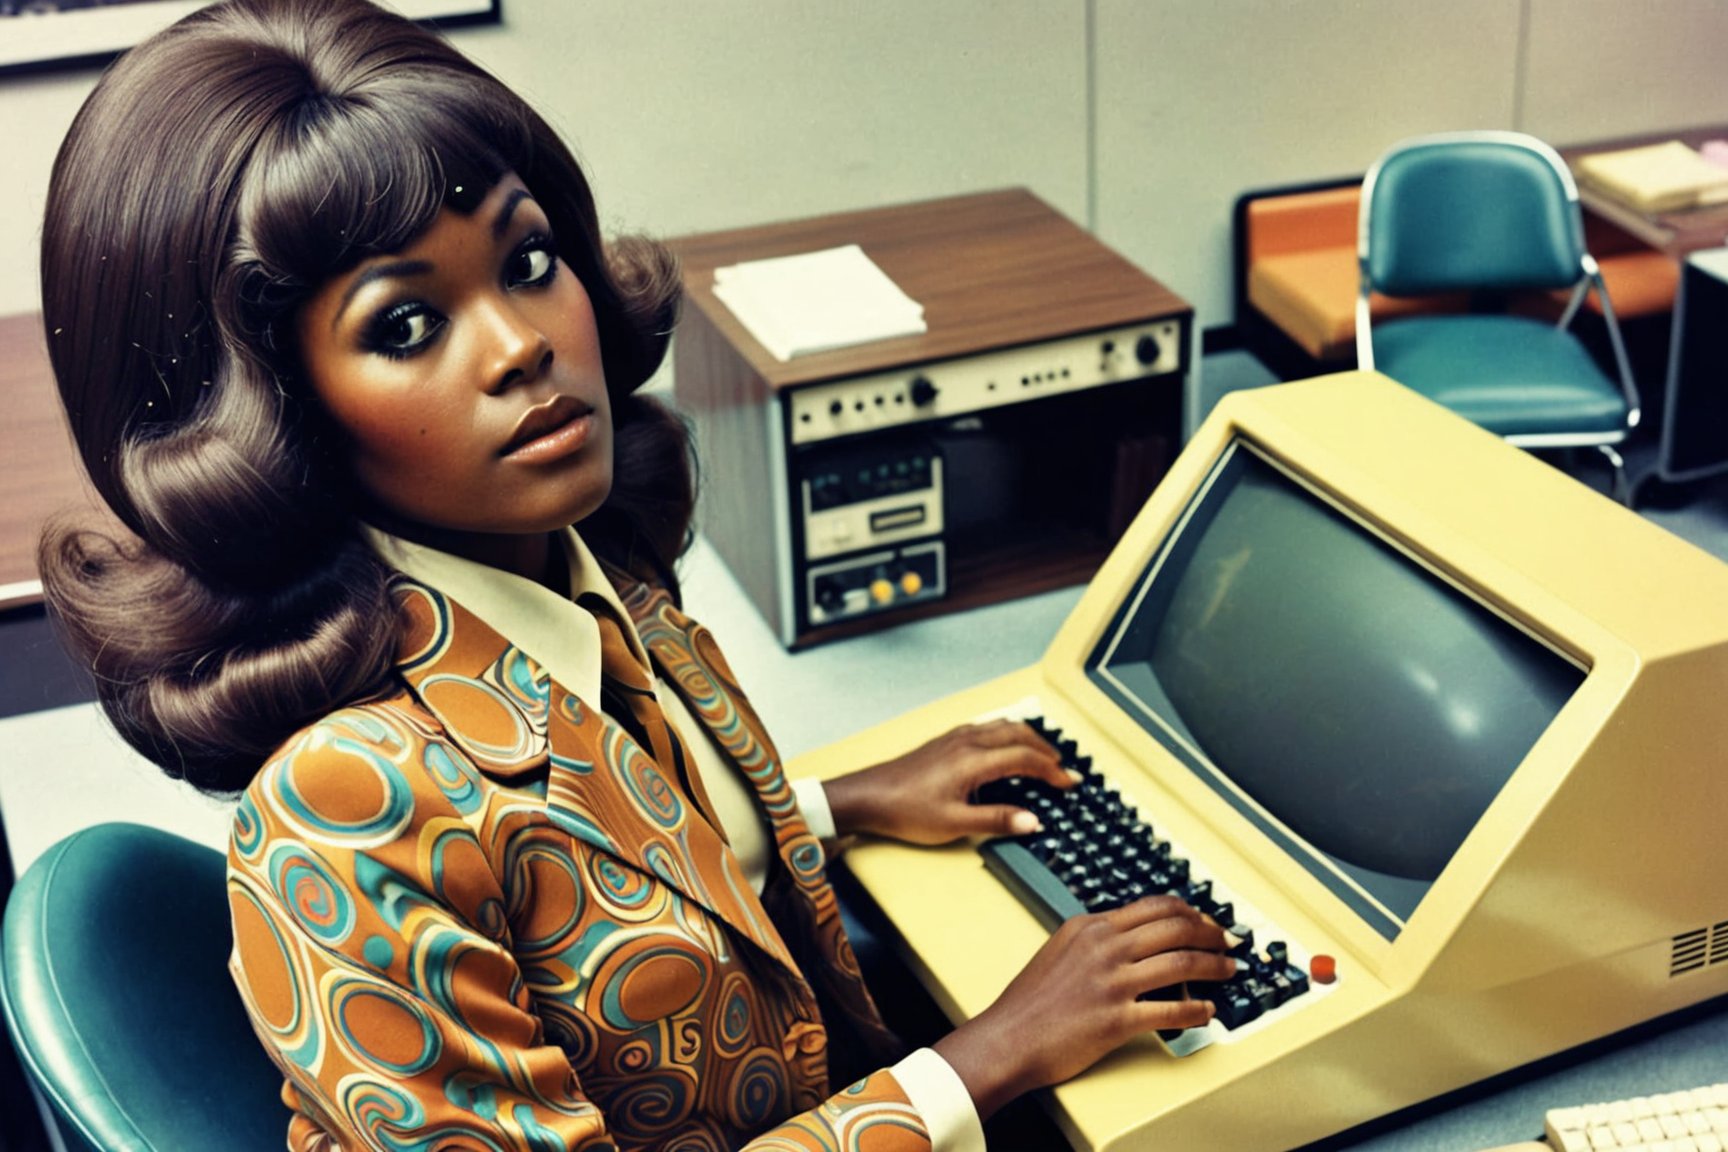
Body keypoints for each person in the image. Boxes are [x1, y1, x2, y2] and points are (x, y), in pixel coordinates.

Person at [35, 0, 1236, 1148]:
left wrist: (835, 803)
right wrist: (989, 1057)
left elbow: (604, 866)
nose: (525, 345)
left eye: (527, 257)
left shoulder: (573, 560)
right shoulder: (344, 816)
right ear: (269, 414)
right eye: (406, 324)